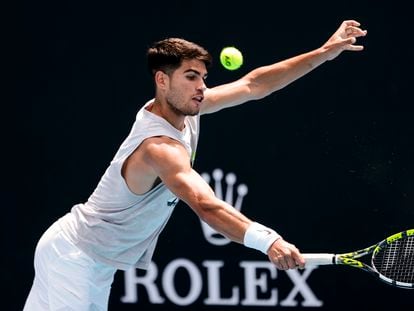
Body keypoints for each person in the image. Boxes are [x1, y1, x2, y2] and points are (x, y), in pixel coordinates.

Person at [24, 20, 367, 310]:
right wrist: (268, 241)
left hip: (84, 257)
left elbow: (253, 84)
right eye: (191, 76)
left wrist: (324, 52)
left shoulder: (185, 109)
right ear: (162, 80)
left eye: (202, 77)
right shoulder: (159, 148)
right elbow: (205, 204)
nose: (202, 87)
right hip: (75, 258)